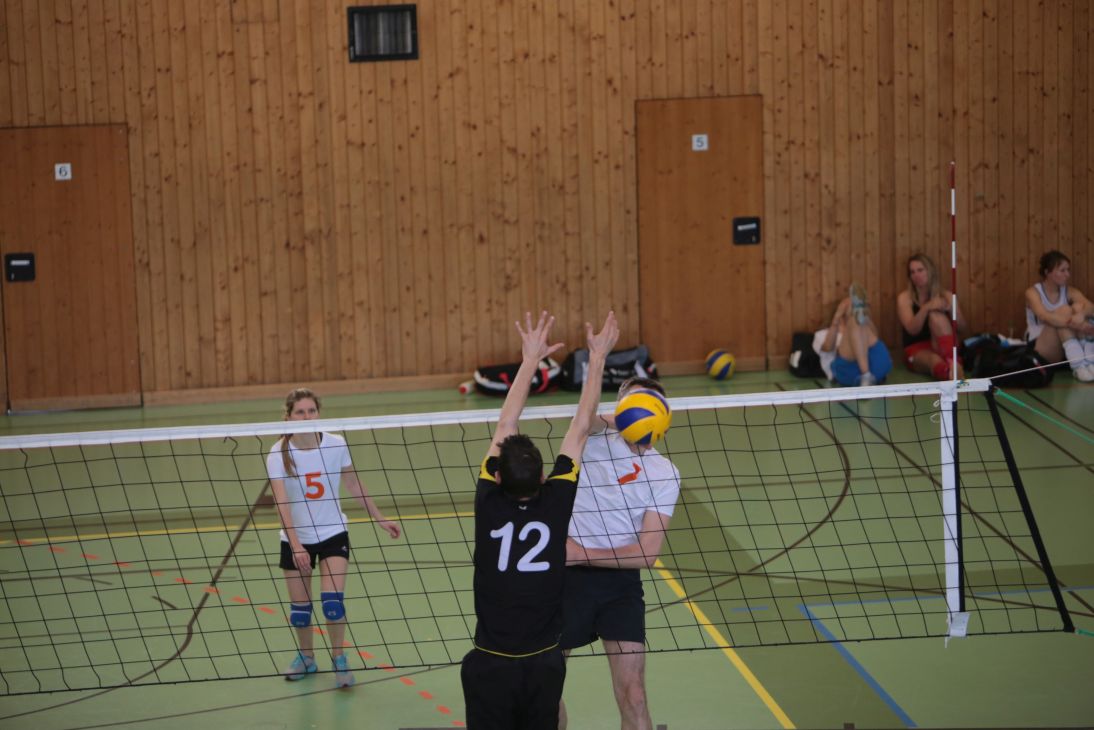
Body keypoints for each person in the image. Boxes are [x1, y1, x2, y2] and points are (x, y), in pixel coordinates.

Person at [461, 310, 619, 730]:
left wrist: (530, 359)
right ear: (544, 477)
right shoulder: (556, 500)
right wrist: (597, 357)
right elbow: (581, 427)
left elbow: (506, 422)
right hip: (542, 663)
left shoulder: (488, 502)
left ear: (497, 477)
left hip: (490, 660)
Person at [559, 376, 682, 730]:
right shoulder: (589, 439)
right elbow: (584, 418)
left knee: (634, 695)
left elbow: (646, 554)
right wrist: (624, 417)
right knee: (544, 691)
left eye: (646, 404)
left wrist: (582, 553)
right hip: (564, 582)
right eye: (630, 403)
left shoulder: (664, 473)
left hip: (619, 585)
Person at [266, 388, 402, 688]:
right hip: (295, 538)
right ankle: (307, 657)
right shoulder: (278, 453)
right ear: (288, 416)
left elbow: (353, 484)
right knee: (300, 612)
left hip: (332, 533)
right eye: (300, 412)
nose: (307, 417)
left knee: (332, 604)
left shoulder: (336, 444)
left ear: (319, 412)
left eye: (311, 411)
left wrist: (380, 518)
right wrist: (296, 546)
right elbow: (281, 503)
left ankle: (339, 659)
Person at [1025, 250, 1094, 382]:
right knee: (1064, 310)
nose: (1067, 274)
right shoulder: (1032, 292)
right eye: (1062, 270)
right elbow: (1044, 316)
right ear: (1047, 272)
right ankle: (1079, 365)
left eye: (1068, 270)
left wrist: (1082, 314)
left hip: (1063, 344)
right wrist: (1079, 325)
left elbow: (1091, 307)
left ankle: (1086, 362)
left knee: (1079, 307)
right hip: (1040, 346)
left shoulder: (1069, 291)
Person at [897, 253, 967, 380]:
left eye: (920, 270)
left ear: (930, 271)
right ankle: (949, 373)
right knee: (934, 360)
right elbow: (912, 330)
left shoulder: (946, 296)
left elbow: (962, 328)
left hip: (942, 346)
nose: (916, 275)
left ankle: (953, 364)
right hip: (917, 349)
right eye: (912, 272)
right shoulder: (905, 298)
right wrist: (926, 308)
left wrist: (951, 310)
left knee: (936, 316)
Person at [819, 283, 892, 386]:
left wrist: (865, 318)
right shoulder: (822, 333)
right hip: (847, 370)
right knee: (855, 321)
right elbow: (827, 348)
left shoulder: (864, 326)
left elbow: (875, 338)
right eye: (851, 306)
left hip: (876, 363)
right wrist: (837, 318)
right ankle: (866, 375)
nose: (851, 308)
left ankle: (866, 376)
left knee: (858, 322)